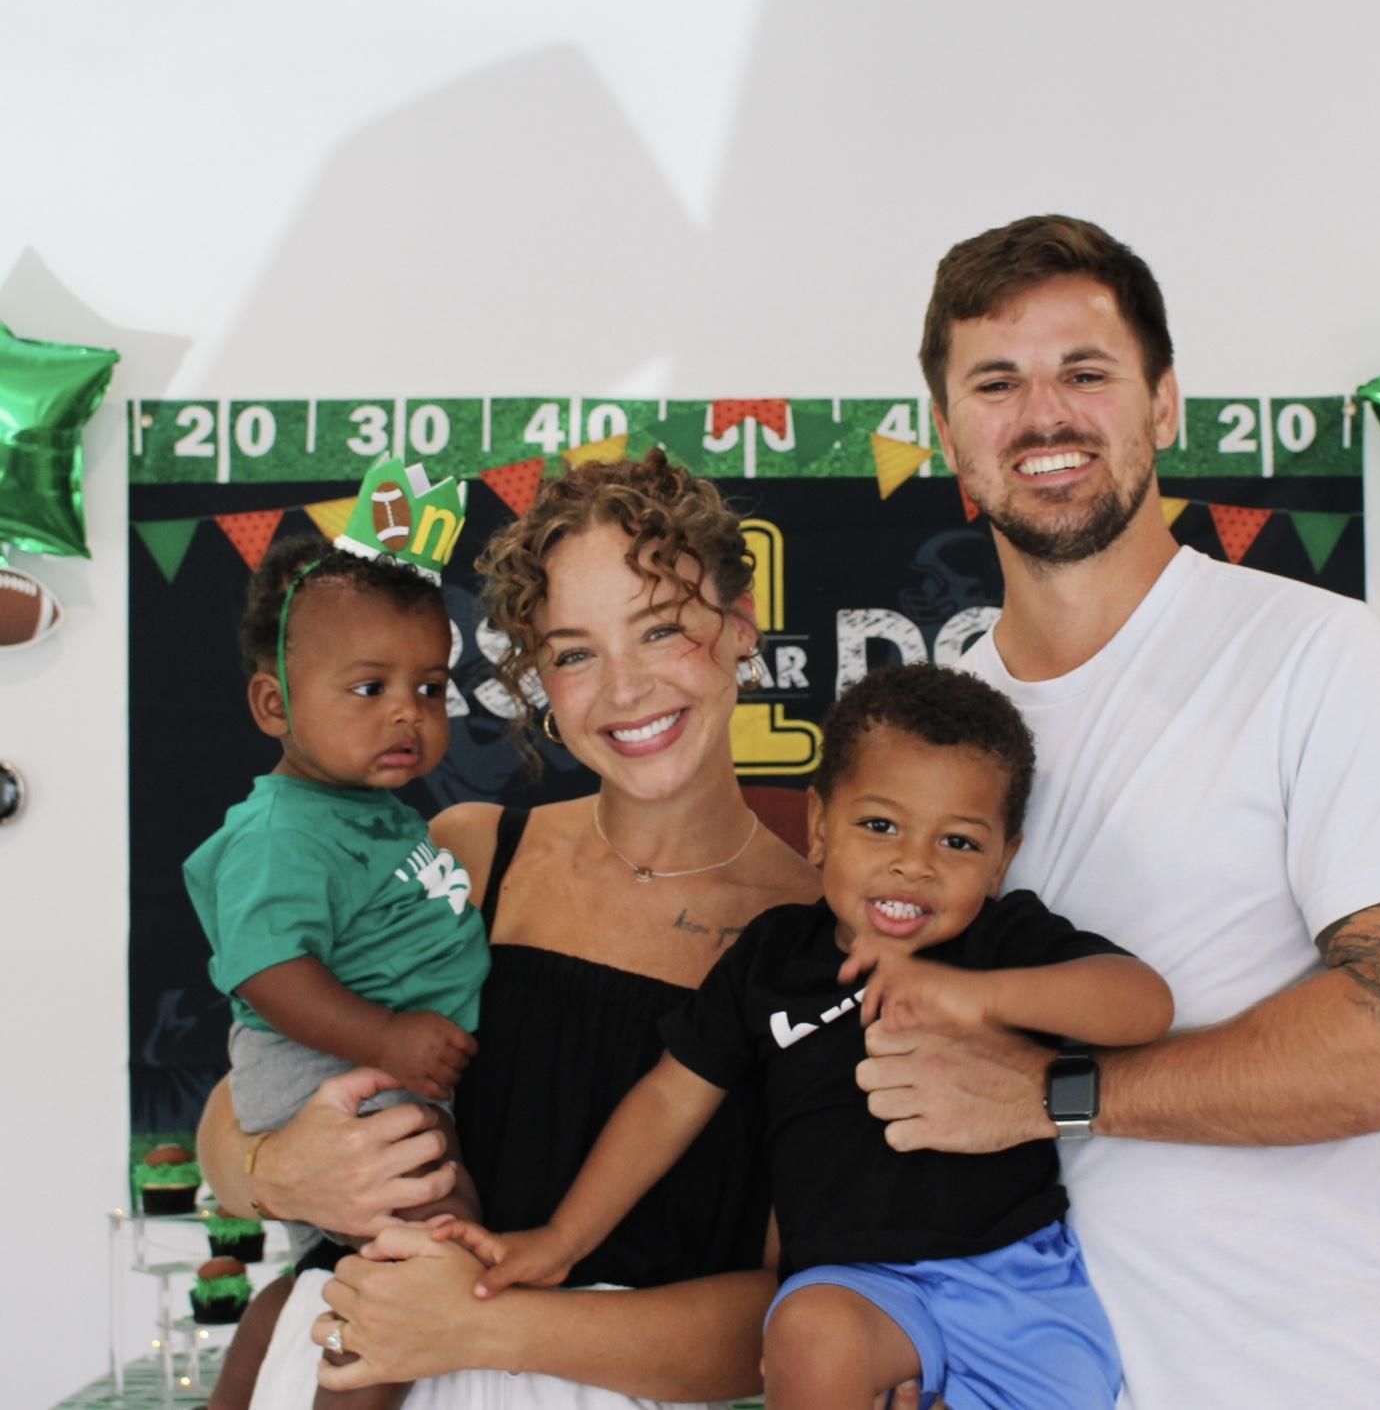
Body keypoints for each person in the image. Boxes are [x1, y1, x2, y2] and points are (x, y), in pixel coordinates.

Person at [851, 214, 1380, 1409]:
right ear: (947, 434)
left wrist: (1050, 1094)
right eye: (995, 383)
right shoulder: (934, 738)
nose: (1041, 415)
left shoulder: (1310, 652)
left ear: (1163, 405)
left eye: (1084, 371)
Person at [198, 450, 833, 1410]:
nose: (624, 689)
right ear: (537, 680)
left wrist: (481, 1326)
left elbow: (794, 1319)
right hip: (342, 1362)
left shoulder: (827, 940)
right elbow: (246, 1097)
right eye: (574, 653)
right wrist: (276, 1174)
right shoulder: (466, 854)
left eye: (660, 629)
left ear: (740, 626)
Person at [431, 661, 1173, 1410]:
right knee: (808, 1333)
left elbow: (1142, 1005)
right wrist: (564, 1237)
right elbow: (669, 1101)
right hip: (853, 1287)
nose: (913, 864)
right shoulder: (774, 957)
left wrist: (979, 996)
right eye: (879, 826)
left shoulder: (1002, 941)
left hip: (1016, 1281)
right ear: (820, 828)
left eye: (958, 843)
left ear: (1002, 860)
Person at [185, 535, 490, 1410]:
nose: (407, 715)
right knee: (428, 1251)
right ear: (273, 704)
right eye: (368, 689)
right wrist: (386, 1038)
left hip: (365, 1069)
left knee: (328, 1275)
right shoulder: (283, 830)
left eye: (428, 689)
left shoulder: (368, 814)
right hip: (330, 1070)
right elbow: (265, 969)